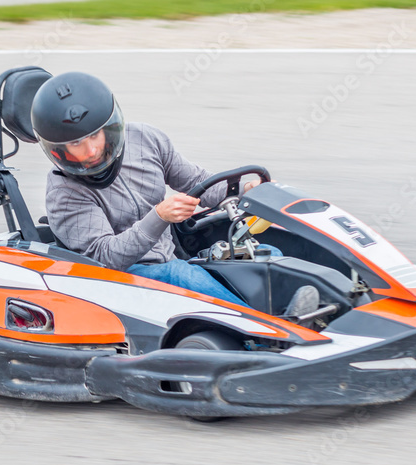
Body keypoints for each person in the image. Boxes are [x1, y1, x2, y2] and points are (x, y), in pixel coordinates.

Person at [31, 71, 267, 307]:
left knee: (261, 255)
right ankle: (266, 334)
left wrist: (246, 189)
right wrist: (159, 217)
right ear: (57, 150)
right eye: (76, 143)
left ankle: (296, 311)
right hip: (120, 282)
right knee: (179, 275)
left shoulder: (145, 139)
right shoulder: (65, 192)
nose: (91, 151)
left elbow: (197, 182)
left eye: (94, 136)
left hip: (175, 262)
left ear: (109, 126)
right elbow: (105, 259)